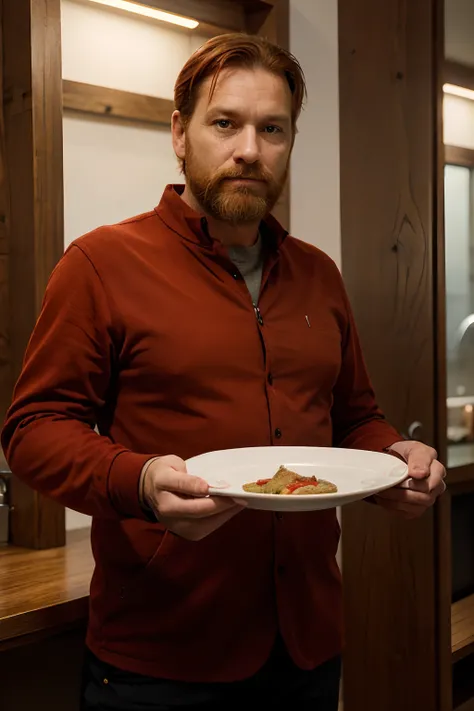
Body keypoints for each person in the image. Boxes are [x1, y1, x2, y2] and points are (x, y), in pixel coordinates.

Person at [1, 33, 446, 711]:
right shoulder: (100, 264)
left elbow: (355, 416)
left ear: (291, 140)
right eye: (225, 123)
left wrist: (394, 454)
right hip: (161, 662)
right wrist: (142, 480)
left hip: (306, 651)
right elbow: (33, 428)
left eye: (272, 129)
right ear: (180, 133)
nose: (249, 149)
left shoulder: (319, 275)